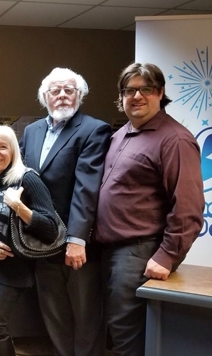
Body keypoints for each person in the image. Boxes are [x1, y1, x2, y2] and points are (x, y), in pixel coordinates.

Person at [95, 62, 204, 356]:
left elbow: (189, 206)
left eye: (146, 89)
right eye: (129, 90)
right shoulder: (121, 134)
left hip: (140, 251)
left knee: (127, 334)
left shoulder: (175, 139)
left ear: (160, 93)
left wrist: (167, 256)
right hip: (109, 250)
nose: (137, 96)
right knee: (114, 330)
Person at [19, 67, 111, 356]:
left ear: (80, 95)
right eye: (55, 90)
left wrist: (76, 239)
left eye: (68, 90)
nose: (61, 96)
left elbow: (87, 187)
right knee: (54, 313)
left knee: (86, 317)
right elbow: (20, 176)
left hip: (77, 245)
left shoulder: (93, 130)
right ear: (44, 96)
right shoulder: (32, 131)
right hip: (42, 241)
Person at [0, 125, 59, 356]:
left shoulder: (27, 179)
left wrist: (19, 207)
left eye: (3, 147)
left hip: (15, 268)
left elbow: (52, 229)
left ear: (13, 151)